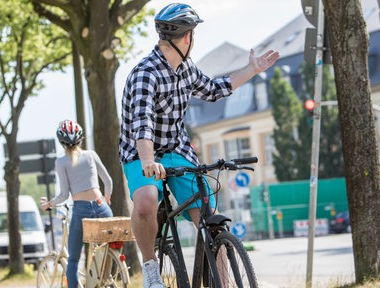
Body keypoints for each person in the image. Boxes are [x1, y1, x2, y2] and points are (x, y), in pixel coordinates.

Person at [118, 3, 279, 288]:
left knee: (210, 218)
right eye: (193, 34)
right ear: (187, 38)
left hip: (177, 150)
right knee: (145, 202)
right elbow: (141, 123)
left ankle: (223, 283)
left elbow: (215, 89)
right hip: (141, 152)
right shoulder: (146, 73)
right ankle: (150, 266)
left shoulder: (187, 69)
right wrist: (146, 160)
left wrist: (252, 69)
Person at [41, 119, 113, 288]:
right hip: (102, 206)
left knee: (73, 260)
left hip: (81, 211)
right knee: (105, 249)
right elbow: (108, 181)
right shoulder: (91, 155)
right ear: (80, 139)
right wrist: (106, 198)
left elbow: (64, 194)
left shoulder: (61, 162)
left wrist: (49, 204)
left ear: (61, 142)